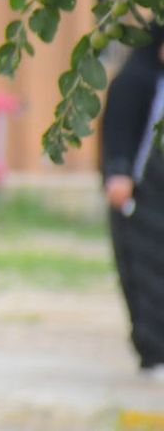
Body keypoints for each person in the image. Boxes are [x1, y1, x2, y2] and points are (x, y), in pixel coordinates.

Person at [100, 23, 164, 378]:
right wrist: (118, 172)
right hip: (141, 198)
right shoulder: (136, 80)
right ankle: (154, 352)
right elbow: (119, 133)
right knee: (145, 273)